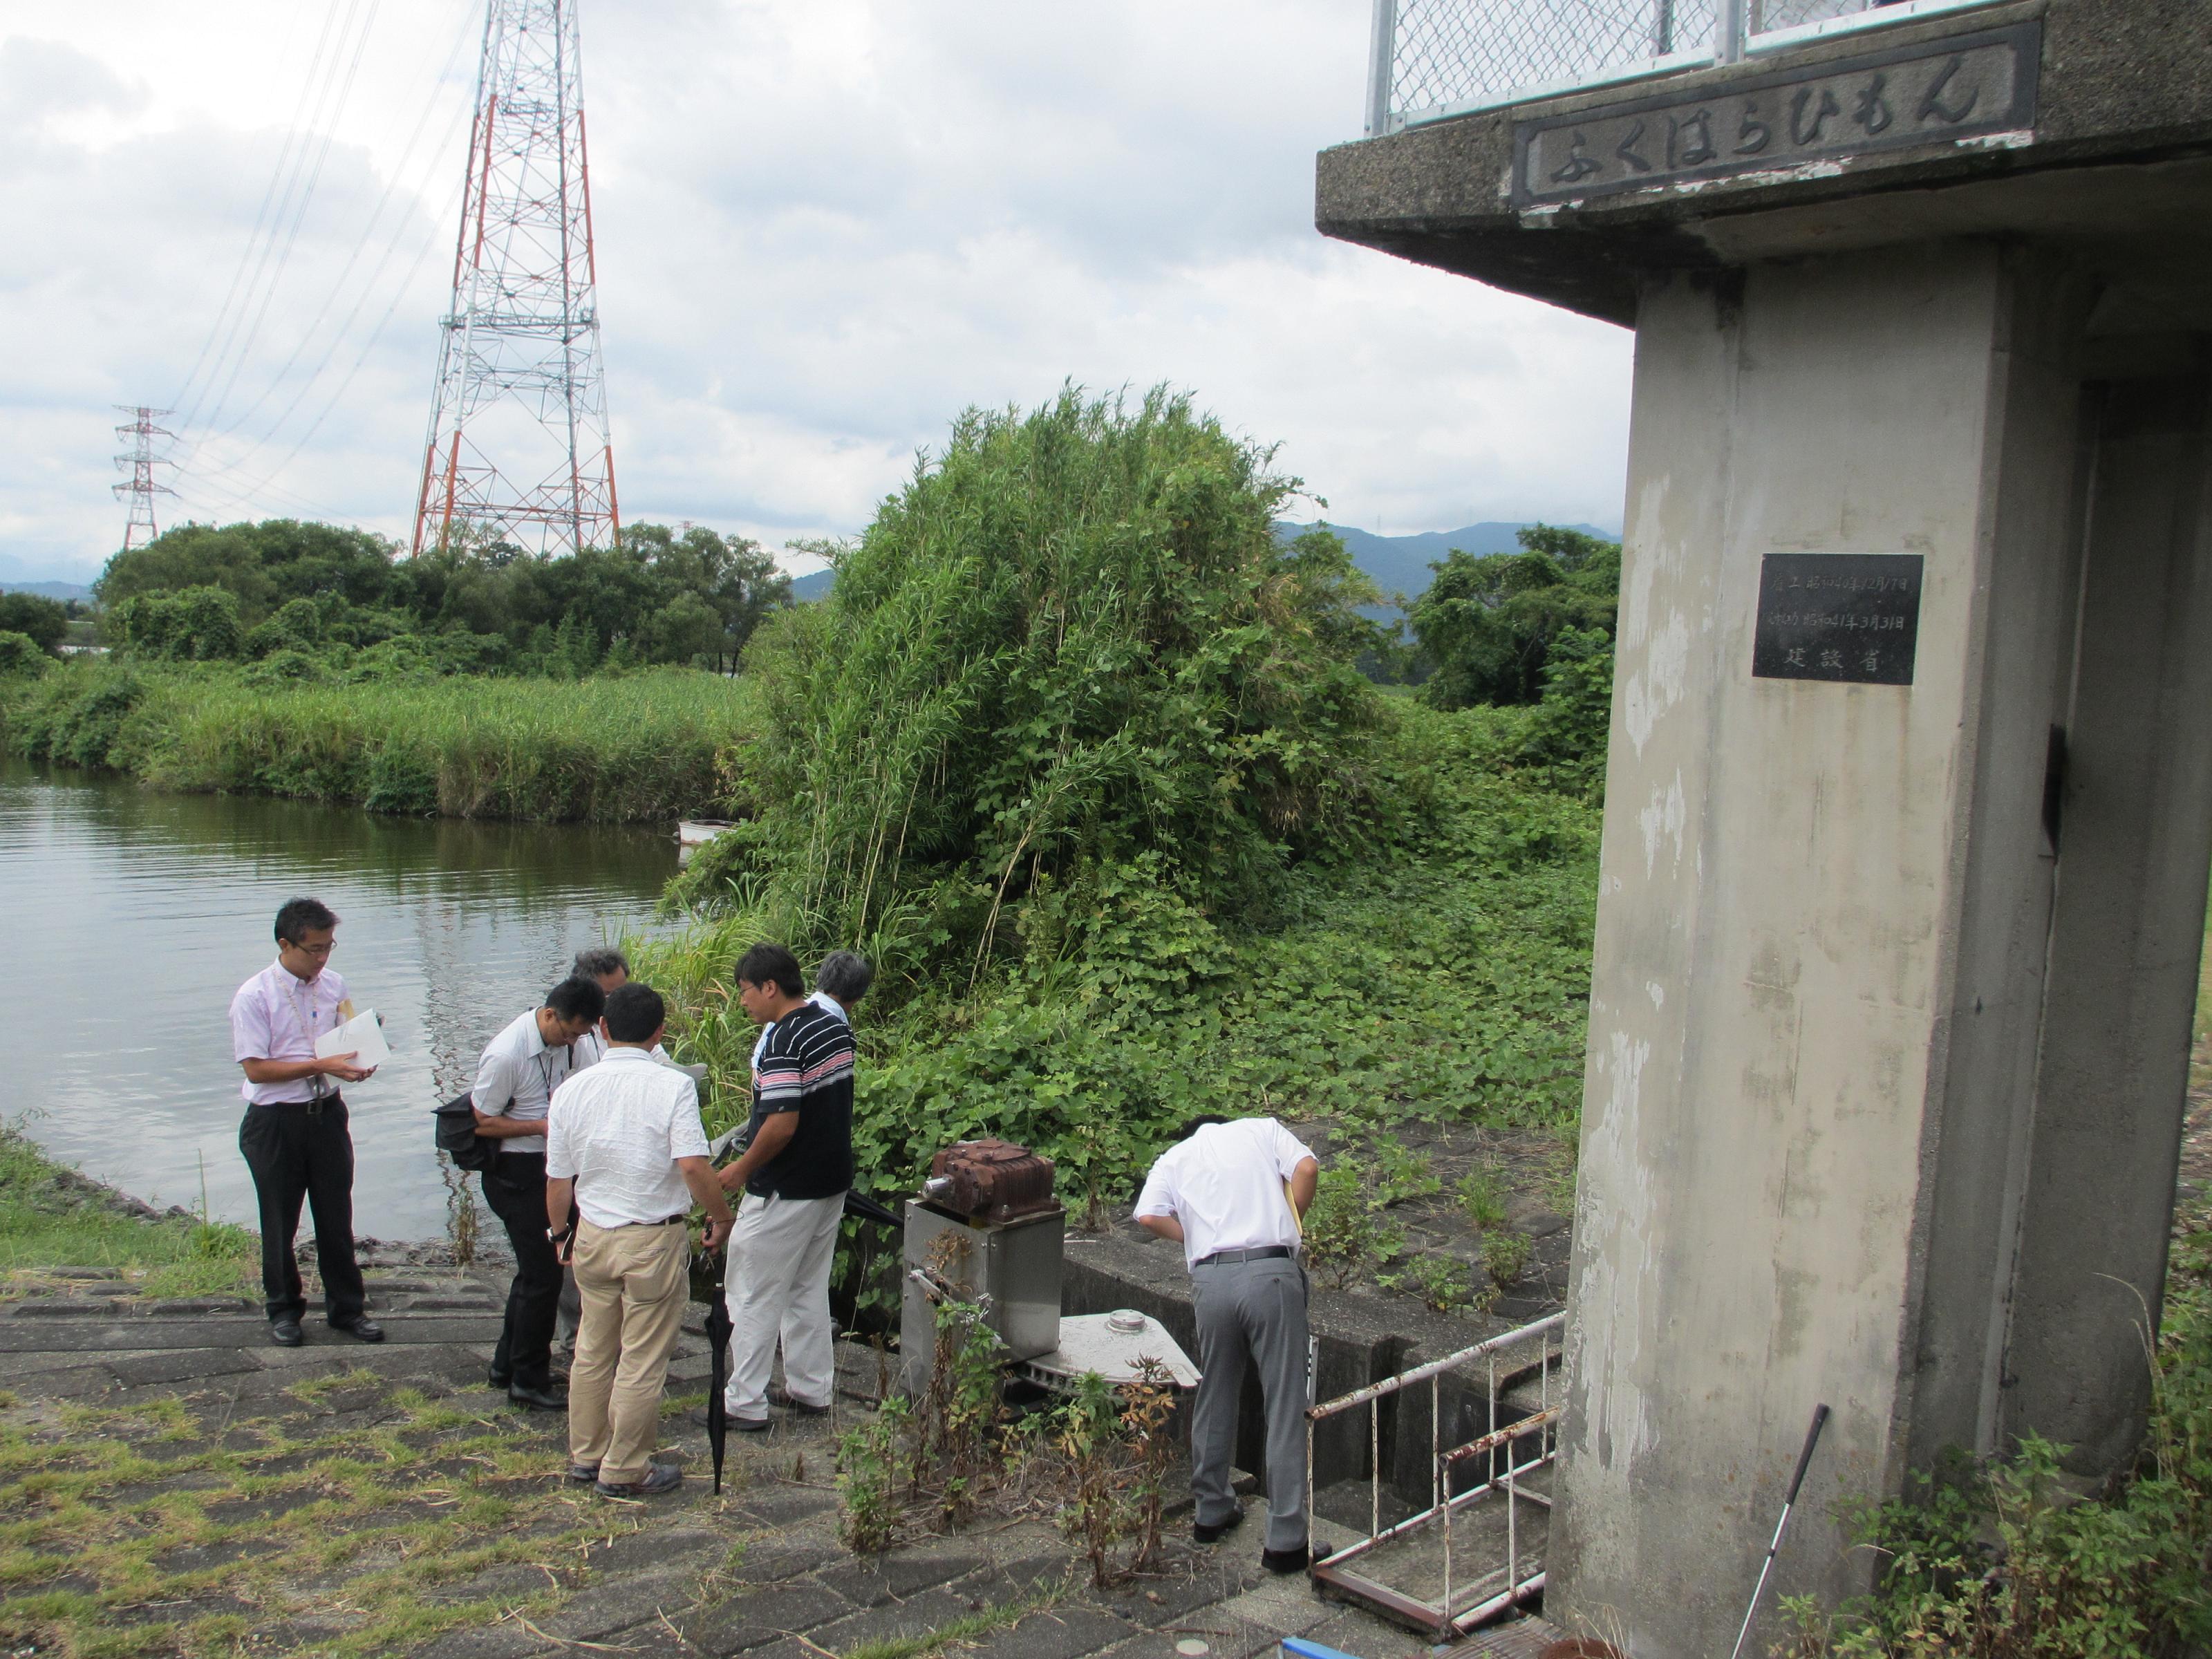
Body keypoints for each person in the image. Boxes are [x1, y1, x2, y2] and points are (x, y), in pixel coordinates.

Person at [545, 982, 733, 1498]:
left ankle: (586, 1454)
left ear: (603, 1028)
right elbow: (693, 1165)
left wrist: (559, 1234)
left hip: (592, 1234)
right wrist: (721, 1215)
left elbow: (559, 1179)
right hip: (650, 1237)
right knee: (642, 1358)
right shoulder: (671, 1087)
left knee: (592, 1350)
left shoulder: (571, 1090)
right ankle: (626, 1467)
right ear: (659, 1033)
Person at [1134, 1114, 1321, 1573]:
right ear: (1224, 1123)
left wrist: (1195, 1235)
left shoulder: (1174, 1158)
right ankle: (1286, 1541)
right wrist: (1292, 1221)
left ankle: (1212, 1509)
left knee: (1216, 1391)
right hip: (1269, 1273)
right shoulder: (1261, 1128)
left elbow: (1147, 1214)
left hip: (1211, 1281)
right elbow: (1308, 1169)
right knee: (1283, 1402)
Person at [229, 897, 384, 1349]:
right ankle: (283, 1310)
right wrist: (323, 1065)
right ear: (285, 944)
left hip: (327, 1115)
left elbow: (345, 1035)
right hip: (275, 1120)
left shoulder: (334, 984)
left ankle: (347, 1309)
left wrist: (361, 1056)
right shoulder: (254, 996)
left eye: (328, 947)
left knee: (337, 1215)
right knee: (280, 1219)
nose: (321, 959)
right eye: (313, 949)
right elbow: (256, 1069)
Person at [717, 942, 856, 1430]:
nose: (743, 1002)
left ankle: (744, 1403)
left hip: (785, 1187)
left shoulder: (781, 1040)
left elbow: (780, 1124)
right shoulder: (833, 1025)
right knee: (806, 1289)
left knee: (752, 1291)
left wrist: (739, 1170)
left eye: (746, 991)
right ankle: (811, 1388)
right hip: (831, 1180)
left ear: (770, 987)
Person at [471, 975, 606, 1409]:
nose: (573, 1041)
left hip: (557, 1167)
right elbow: (482, 1122)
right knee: (544, 1274)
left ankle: (505, 1364)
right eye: (567, 1032)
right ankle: (528, 1380)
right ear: (549, 1015)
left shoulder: (577, 1042)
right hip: (516, 1169)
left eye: (580, 1034)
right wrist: (542, 1126)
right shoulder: (506, 1054)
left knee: (533, 1273)